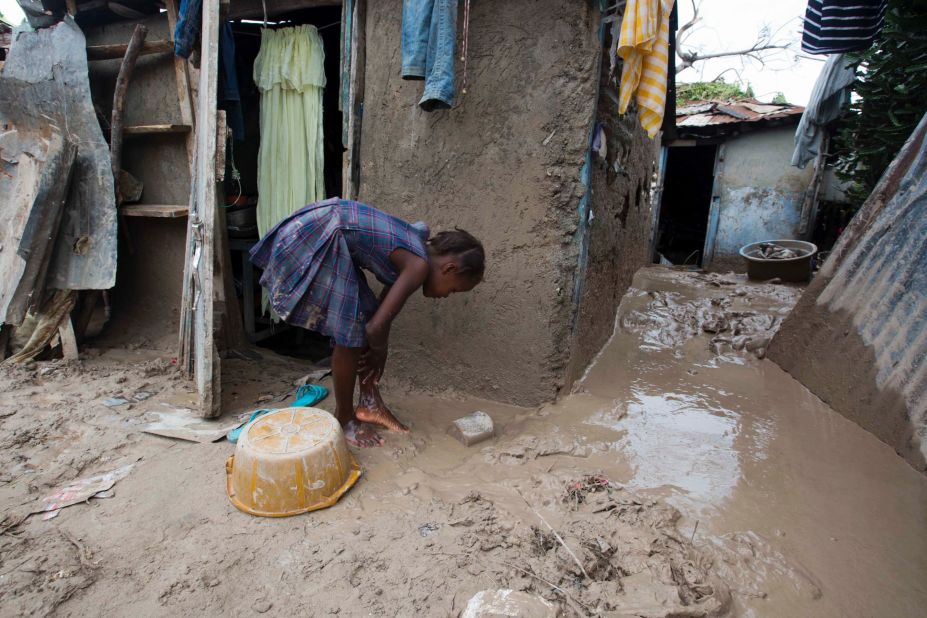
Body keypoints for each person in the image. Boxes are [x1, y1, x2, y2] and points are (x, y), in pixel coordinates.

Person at [250, 197, 485, 448]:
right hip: (320, 234)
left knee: (367, 313)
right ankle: (344, 418)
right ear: (449, 269)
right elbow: (375, 329)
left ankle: (369, 404)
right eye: (453, 290)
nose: (446, 295)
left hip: (326, 229)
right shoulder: (417, 265)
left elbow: (382, 315)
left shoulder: (415, 254)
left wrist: (377, 346)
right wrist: (379, 351)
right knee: (351, 334)